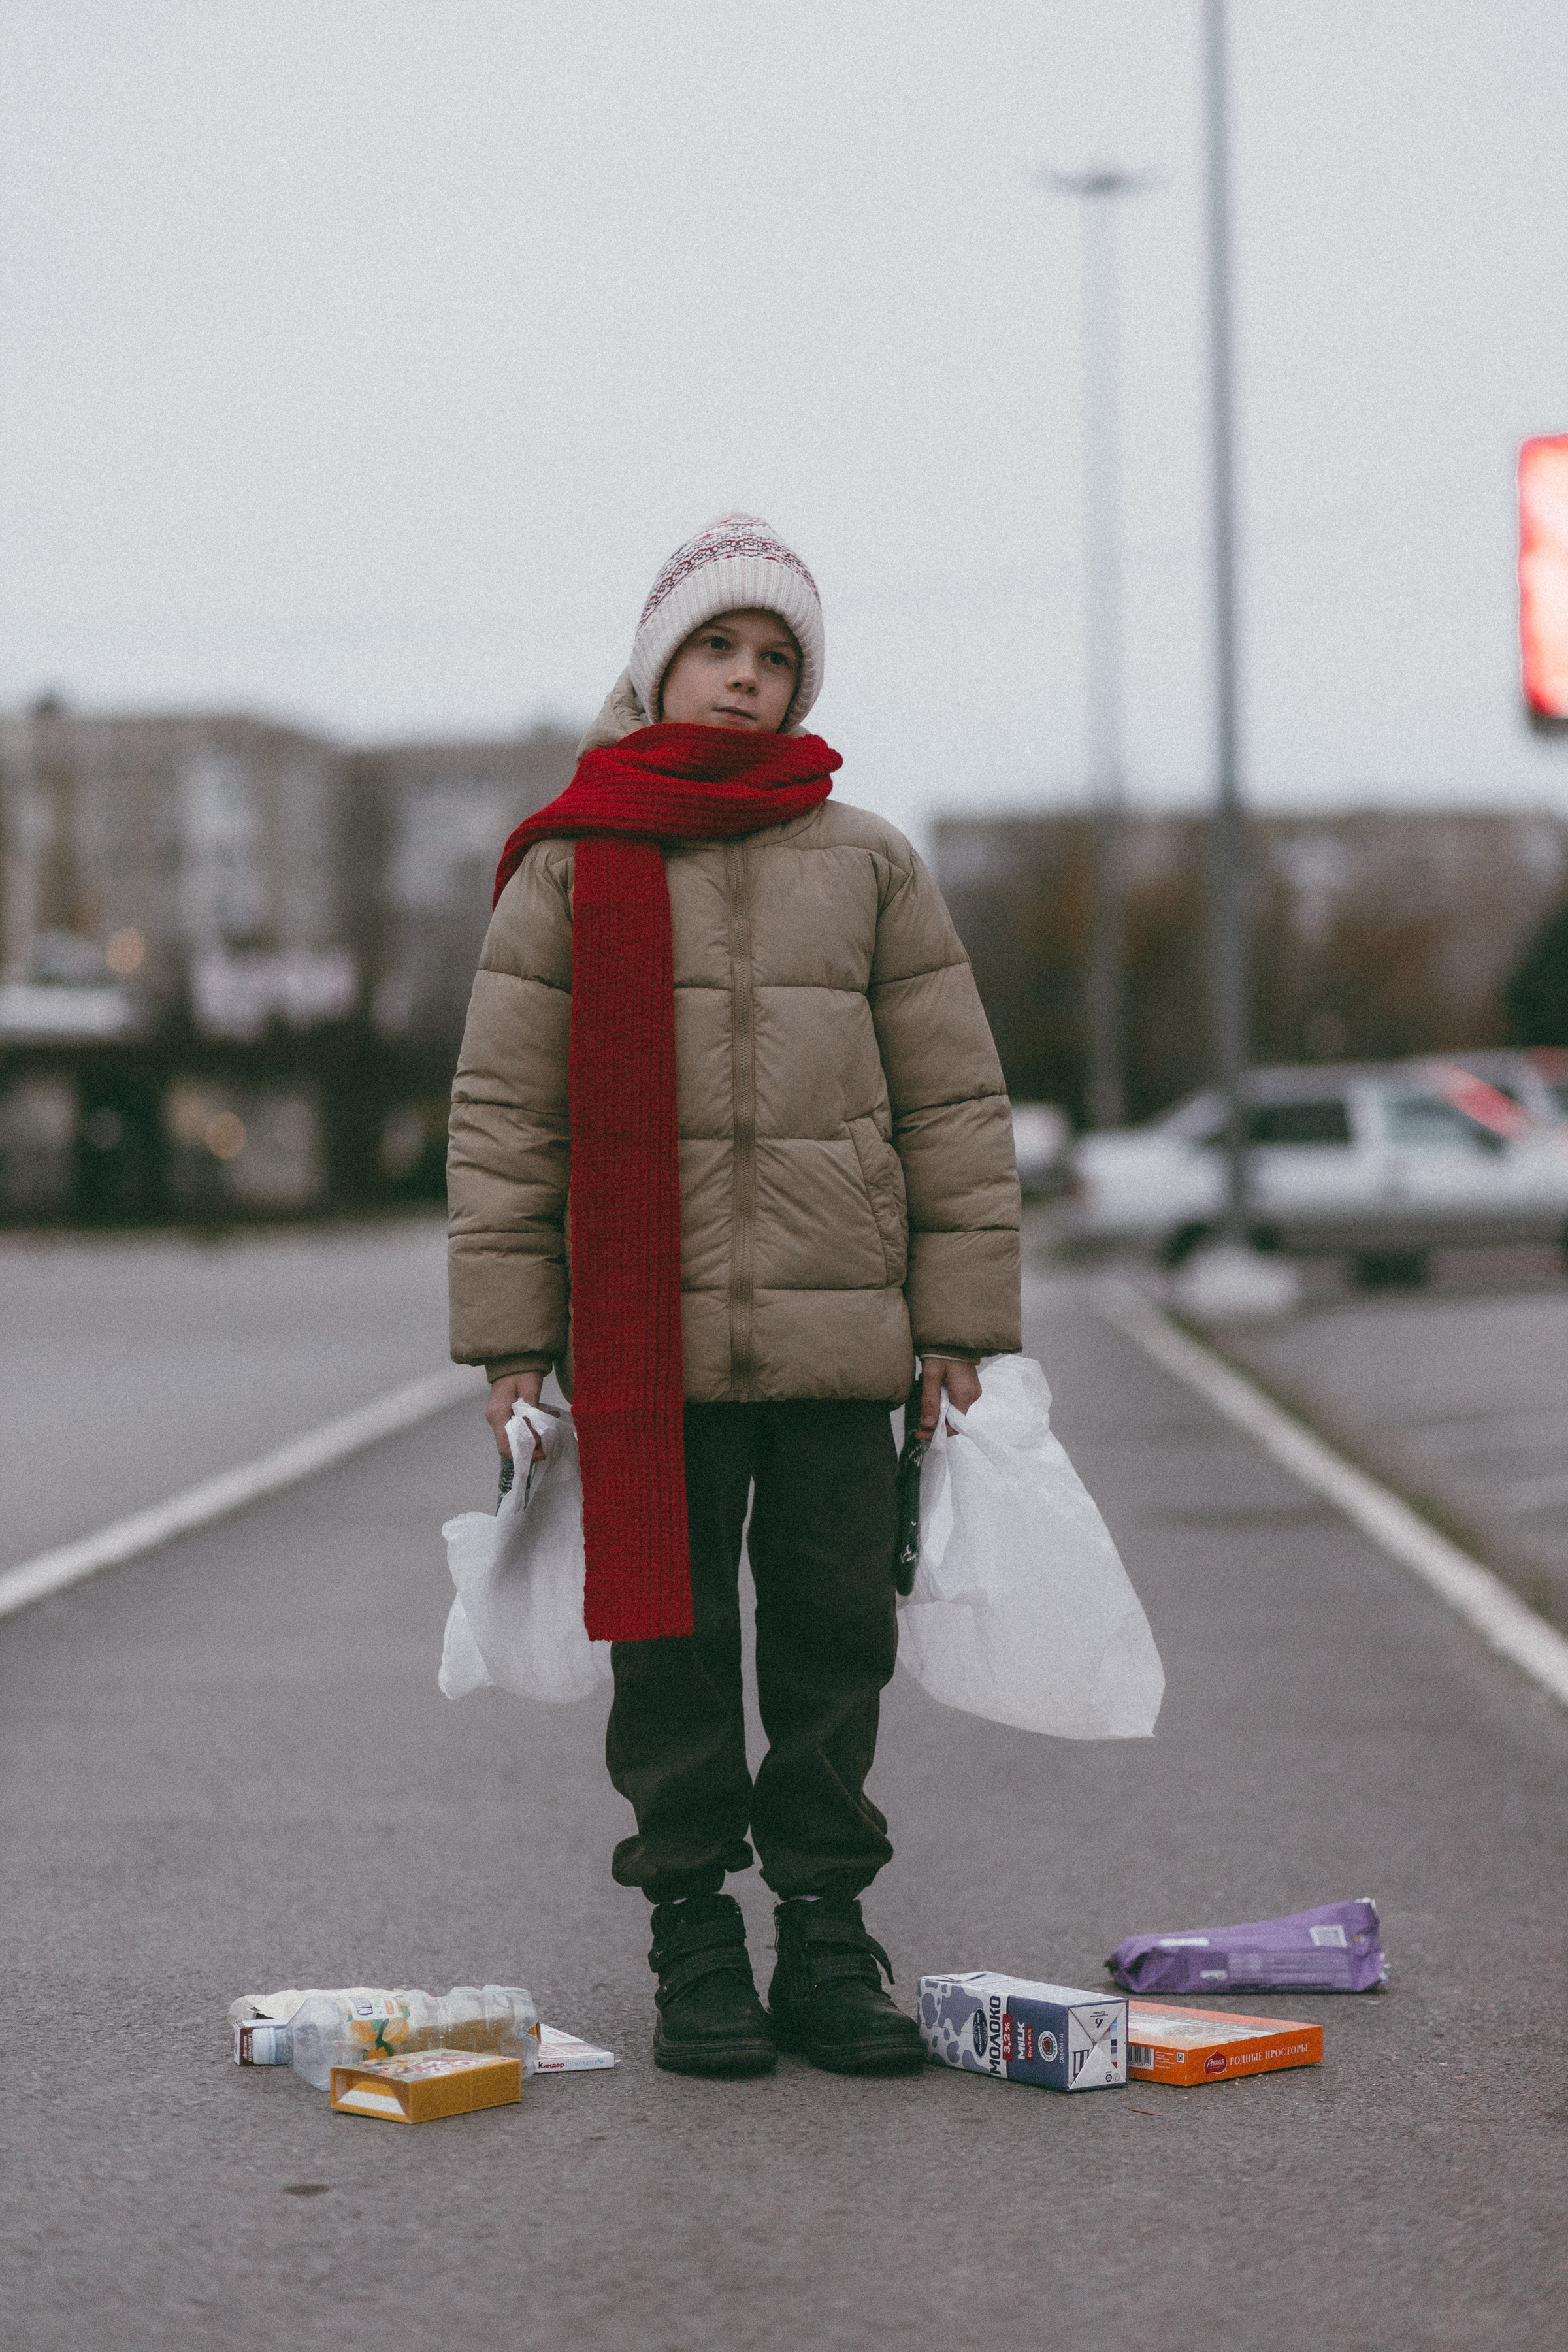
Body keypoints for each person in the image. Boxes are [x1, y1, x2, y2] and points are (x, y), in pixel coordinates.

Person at [447, 514, 1021, 2078]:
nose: (747, 678)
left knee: (836, 1643)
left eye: (776, 657)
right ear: (659, 663)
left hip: (842, 1345)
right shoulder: (574, 862)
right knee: (673, 1647)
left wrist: (958, 1320)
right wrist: (511, 1342)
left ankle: (826, 1935)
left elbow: (953, 1103)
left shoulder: (871, 862)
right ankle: (693, 1929)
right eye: (719, 646)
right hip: (652, 1354)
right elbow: (506, 1119)